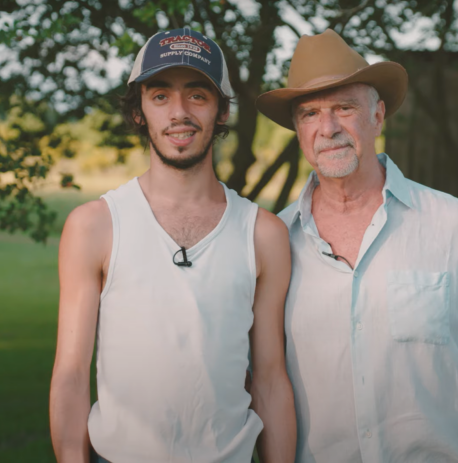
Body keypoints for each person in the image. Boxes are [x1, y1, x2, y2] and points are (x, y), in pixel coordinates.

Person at [256, 29, 458, 463]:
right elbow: (259, 378)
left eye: (344, 108)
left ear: (378, 116)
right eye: (310, 113)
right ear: (297, 128)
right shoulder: (272, 241)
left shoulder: (452, 222)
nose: (327, 128)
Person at [50, 28, 296, 463]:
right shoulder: (94, 226)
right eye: (160, 96)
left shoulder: (263, 234)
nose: (179, 113)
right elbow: (71, 375)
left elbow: (271, 379)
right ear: (140, 111)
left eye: (197, 95)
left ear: (221, 111)